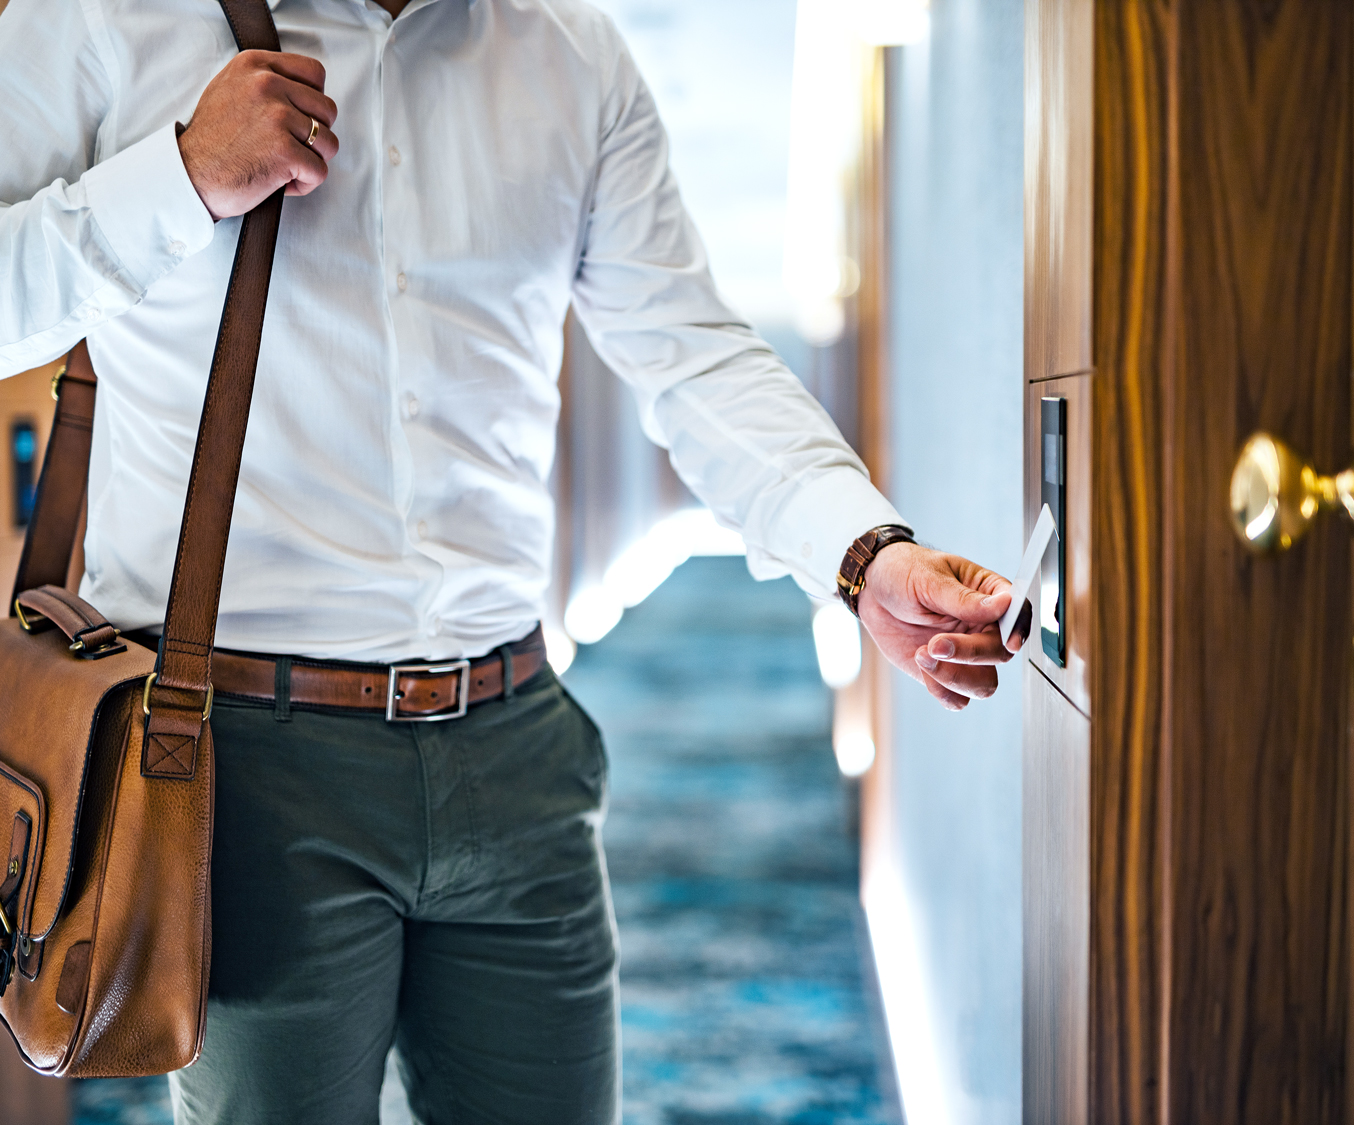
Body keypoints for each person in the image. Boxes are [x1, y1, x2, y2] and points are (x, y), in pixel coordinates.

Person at [0, 0, 1027, 1119]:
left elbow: (691, 357)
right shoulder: (106, 16)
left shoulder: (570, 53)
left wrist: (863, 552)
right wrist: (181, 179)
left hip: (517, 750)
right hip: (239, 766)